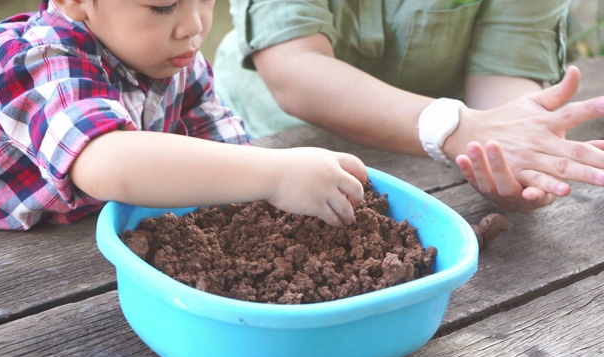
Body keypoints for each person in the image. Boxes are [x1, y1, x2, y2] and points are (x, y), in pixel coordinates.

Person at [0, 0, 368, 230]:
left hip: (85, 225)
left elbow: (225, 145)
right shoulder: (38, 58)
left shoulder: (174, 60)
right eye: (162, 5)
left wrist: (290, 187)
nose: (193, 26)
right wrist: (278, 174)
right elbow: (107, 163)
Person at [213, 0, 604, 214]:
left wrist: (514, 160)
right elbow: (293, 67)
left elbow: (502, 76)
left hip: (428, 167)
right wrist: (452, 126)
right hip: (265, 137)